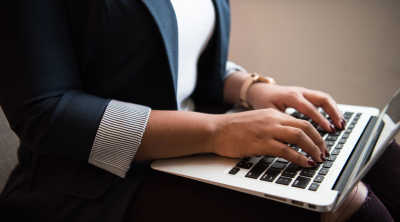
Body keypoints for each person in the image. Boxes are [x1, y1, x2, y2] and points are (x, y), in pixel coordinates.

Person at [0, 0, 398, 221]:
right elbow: (46, 112)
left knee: (383, 160)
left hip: (199, 149)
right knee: (350, 205)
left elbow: (178, 60)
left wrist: (249, 87)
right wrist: (216, 131)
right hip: (92, 179)